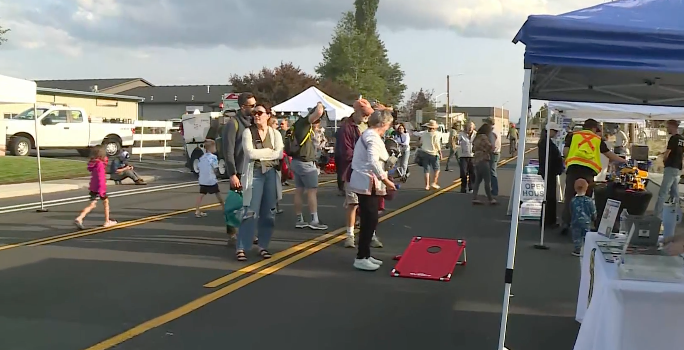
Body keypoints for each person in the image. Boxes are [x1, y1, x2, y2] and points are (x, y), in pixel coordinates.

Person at [346, 109, 396, 271]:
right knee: (369, 220)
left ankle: (365, 254)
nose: (389, 127)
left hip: (368, 182)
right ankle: (361, 257)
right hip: (367, 182)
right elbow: (373, 161)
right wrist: (386, 179)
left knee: (370, 219)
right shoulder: (372, 137)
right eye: (388, 124)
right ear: (383, 124)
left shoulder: (371, 136)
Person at [235, 104, 284, 261]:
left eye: (260, 113)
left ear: (268, 115)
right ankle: (241, 247)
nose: (256, 115)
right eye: (254, 113)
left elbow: (280, 153)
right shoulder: (248, 132)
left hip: (270, 173)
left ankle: (263, 246)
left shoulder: (275, 133)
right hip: (255, 174)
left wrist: (264, 154)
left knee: (268, 212)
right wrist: (269, 152)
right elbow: (249, 153)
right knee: (250, 211)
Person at [562, 119, 627, 234]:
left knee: (569, 197)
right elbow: (610, 155)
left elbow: (565, 152)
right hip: (588, 172)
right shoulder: (597, 140)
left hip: (573, 169)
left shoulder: (572, 136)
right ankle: (583, 224)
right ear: (594, 128)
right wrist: (625, 162)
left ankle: (566, 223)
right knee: (585, 198)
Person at [338, 99, 383, 248]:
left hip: (370, 172)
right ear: (356, 111)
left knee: (370, 206)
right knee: (353, 203)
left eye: (368, 114)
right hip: (352, 171)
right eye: (364, 113)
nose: (366, 116)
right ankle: (350, 235)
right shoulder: (347, 128)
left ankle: (371, 235)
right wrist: (362, 160)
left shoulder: (370, 127)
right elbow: (346, 152)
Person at [289, 102, 328, 230]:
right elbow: (319, 112)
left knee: (299, 190)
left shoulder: (297, 125)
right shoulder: (305, 123)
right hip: (306, 163)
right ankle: (314, 220)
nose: (318, 124)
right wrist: (320, 103)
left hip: (296, 161)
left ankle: (299, 219)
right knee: (312, 191)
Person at [74, 146, 117, 229]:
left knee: (92, 204)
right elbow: (101, 178)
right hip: (100, 188)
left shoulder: (94, 164)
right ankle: (107, 221)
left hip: (93, 187)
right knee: (106, 203)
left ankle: (80, 218)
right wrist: (102, 191)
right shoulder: (100, 165)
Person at [222, 92, 255, 192]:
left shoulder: (254, 122)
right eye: (252, 106)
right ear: (243, 107)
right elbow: (228, 151)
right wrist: (233, 174)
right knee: (239, 204)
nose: (255, 108)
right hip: (240, 172)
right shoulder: (233, 124)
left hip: (254, 170)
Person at [654, 120, 684, 218]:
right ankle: (677, 215)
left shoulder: (673, 138)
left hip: (670, 166)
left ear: (672, 126)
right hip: (677, 167)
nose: (667, 129)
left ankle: (657, 215)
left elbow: (668, 152)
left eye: (668, 127)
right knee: (674, 193)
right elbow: (679, 153)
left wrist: (664, 160)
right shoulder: (681, 139)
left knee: (663, 192)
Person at [538, 123, 564, 228]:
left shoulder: (546, 142)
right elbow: (549, 159)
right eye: (555, 131)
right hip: (549, 171)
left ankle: (549, 219)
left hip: (550, 171)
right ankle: (548, 220)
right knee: (550, 197)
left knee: (550, 196)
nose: (556, 134)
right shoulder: (545, 143)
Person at [194, 139, 225, 218]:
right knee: (218, 194)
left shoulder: (202, 157)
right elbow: (215, 168)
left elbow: (199, 167)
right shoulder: (213, 157)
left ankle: (197, 210)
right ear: (211, 148)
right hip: (211, 180)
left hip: (203, 180)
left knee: (201, 195)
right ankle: (224, 209)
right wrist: (217, 174)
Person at [570, 178, 597, 257]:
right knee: (586, 236)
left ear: (575, 188)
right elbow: (593, 211)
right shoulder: (589, 200)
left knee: (576, 236)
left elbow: (571, 210)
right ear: (586, 188)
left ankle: (577, 250)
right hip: (586, 222)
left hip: (575, 221)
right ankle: (587, 249)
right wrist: (594, 217)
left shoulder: (573, 200)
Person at [471, 123, 496, 205]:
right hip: (483, 159)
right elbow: (490, 147)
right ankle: (490, 198)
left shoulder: (477, 137)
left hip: (476, 160)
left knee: (478, 180)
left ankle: (475, 197)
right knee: (487, 180)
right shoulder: (484, 138)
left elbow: (473, 149)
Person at [420, 120, 443, 190]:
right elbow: (437, 144)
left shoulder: (424, 134)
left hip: (424, 152)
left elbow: (420, 142)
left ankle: (427, 185)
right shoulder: (436, 134)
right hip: (433, 153)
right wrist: (440, 153)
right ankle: (434, 182)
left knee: (426, 170)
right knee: (437, 169)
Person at [268, 115, 284, 215]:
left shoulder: (275, 133)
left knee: (275, 187)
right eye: (275, 123)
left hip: (275, 163)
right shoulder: (273, 134)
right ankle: (273, 208)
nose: (277, 125)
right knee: (273, 188)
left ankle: (275, 207)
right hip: (272, 164)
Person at [457, 122, 476, 193]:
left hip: (473, 156)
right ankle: (463, 187)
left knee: (473, 172)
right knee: (463, 172)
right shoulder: (461, 134)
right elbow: (456, 142)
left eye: (471, 127)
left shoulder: (476, 134)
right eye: (469, 127)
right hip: (463, 156)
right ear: (466, 127)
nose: (470, 128)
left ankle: (471, 187)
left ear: (473, 127)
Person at [485, 118, 501, 197]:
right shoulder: (497, 130)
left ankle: (494, 190)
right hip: (497, 153)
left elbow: (493, 145)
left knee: (492, 171)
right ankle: (494, 189)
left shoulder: (492, 132)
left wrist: (488, 150)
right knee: (492, 171)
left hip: (493, 153)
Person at [334, 117, 350, 195]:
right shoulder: (345, 130)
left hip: (339, 153)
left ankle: (342, 188)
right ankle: (343, 188)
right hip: (342, 153)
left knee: (340, 172)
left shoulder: (339, 130)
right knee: (343, 172)